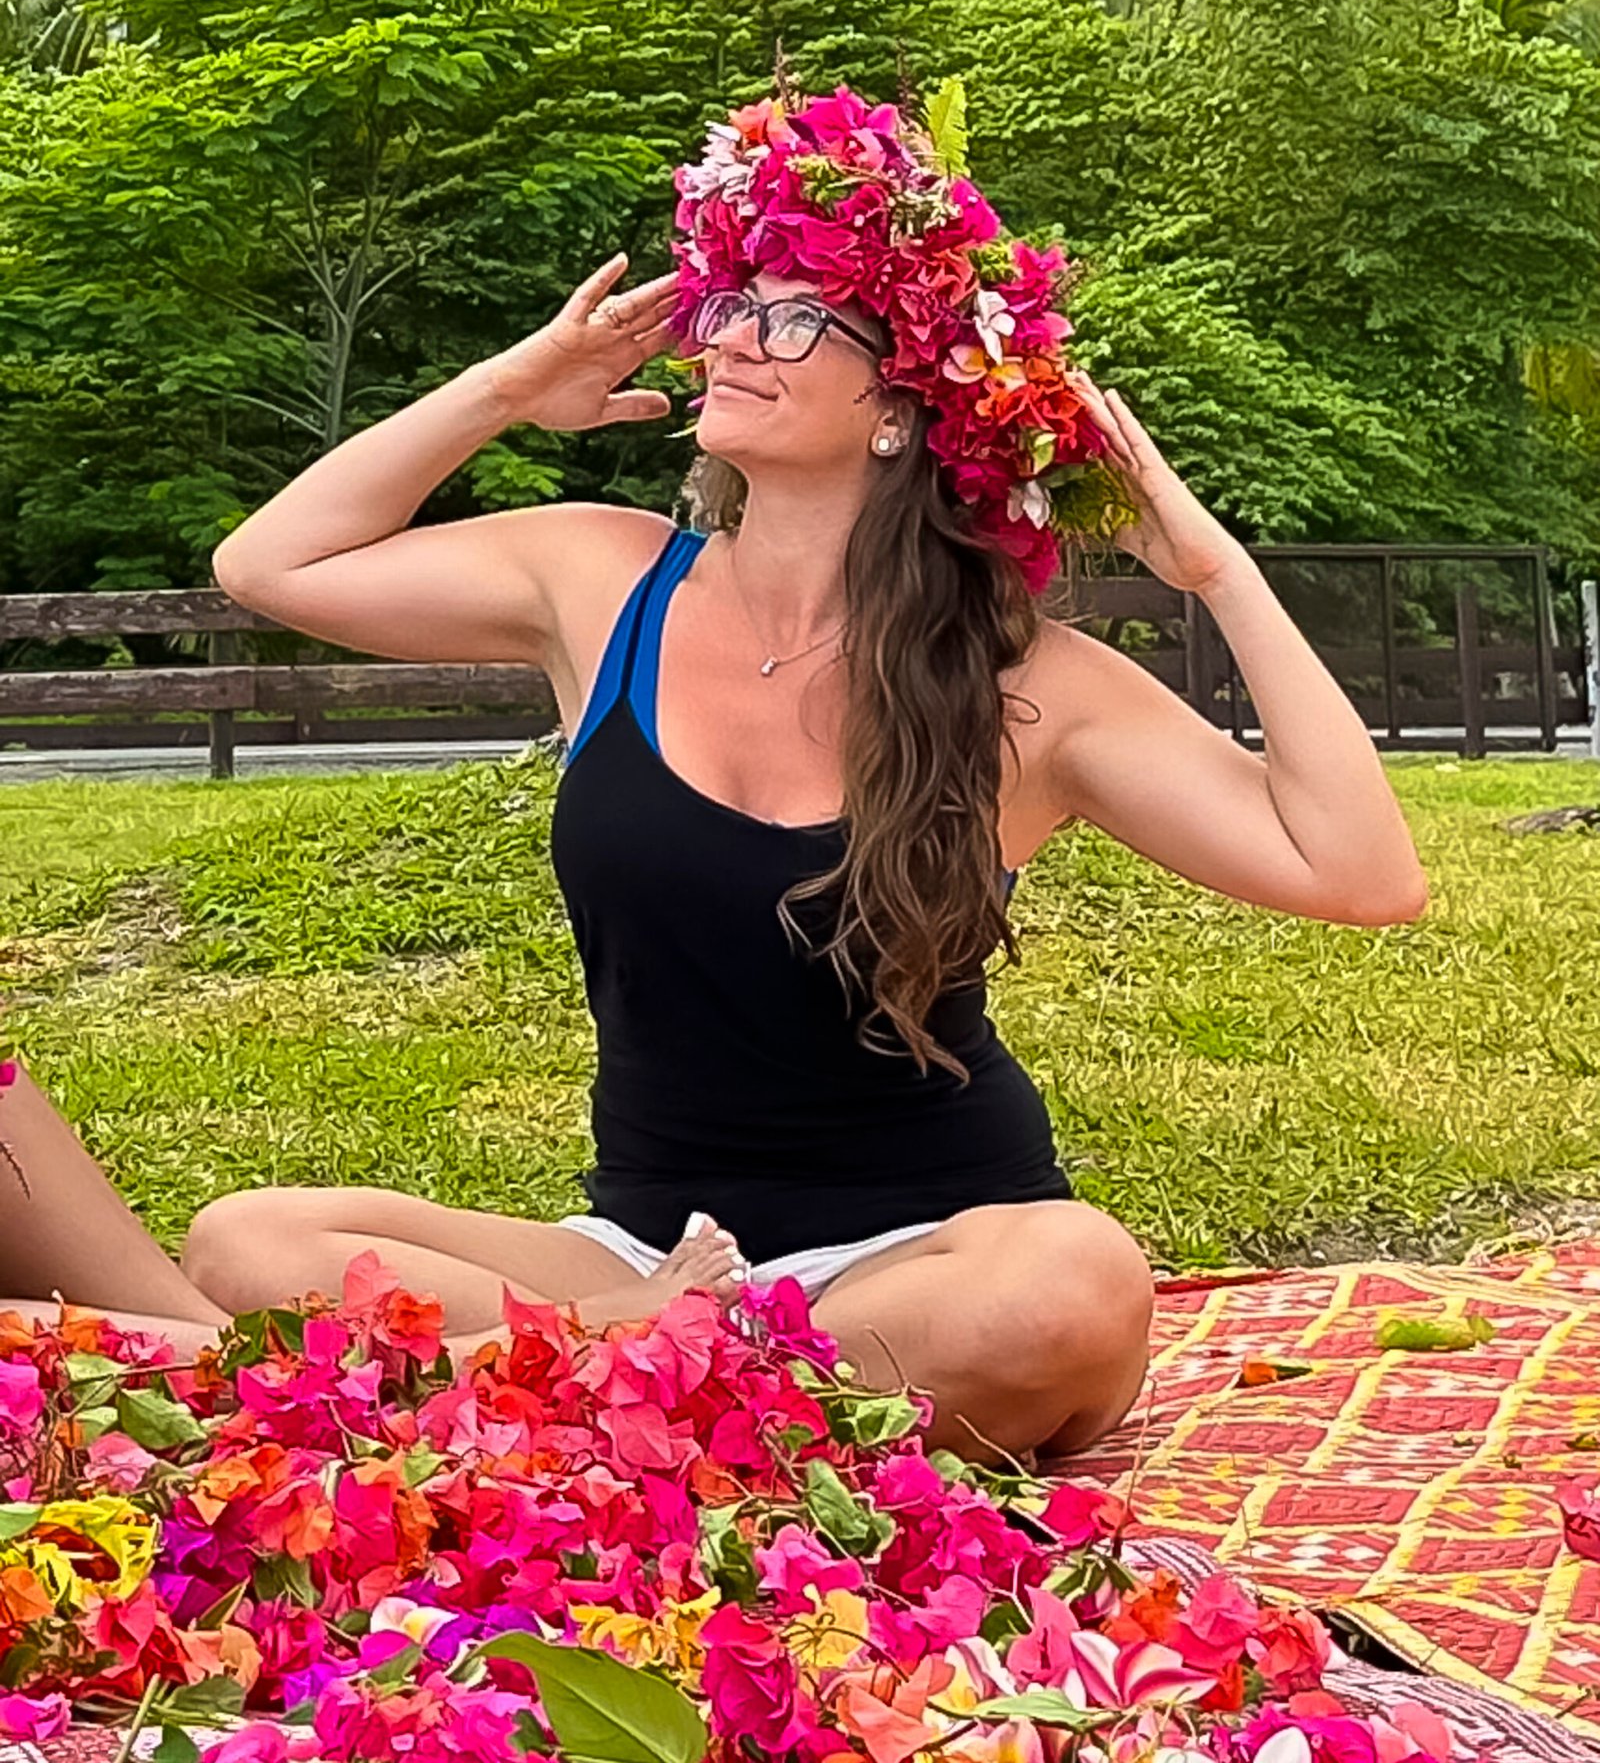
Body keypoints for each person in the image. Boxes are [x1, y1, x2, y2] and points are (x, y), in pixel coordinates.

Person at [0, 82, 1428, 1466]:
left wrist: (1217, 573)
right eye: (727, 304)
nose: (731, 339)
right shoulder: (601, 579)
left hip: (918, 1263)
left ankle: (593, 1389)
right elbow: (270, 564)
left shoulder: (1021, 687)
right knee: (252, 1241)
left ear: (902, 399)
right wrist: (512, 389)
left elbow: (1362, 877)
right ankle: (650, 1379)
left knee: (1072, 1286)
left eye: (792, 313)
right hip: (638, 1255)